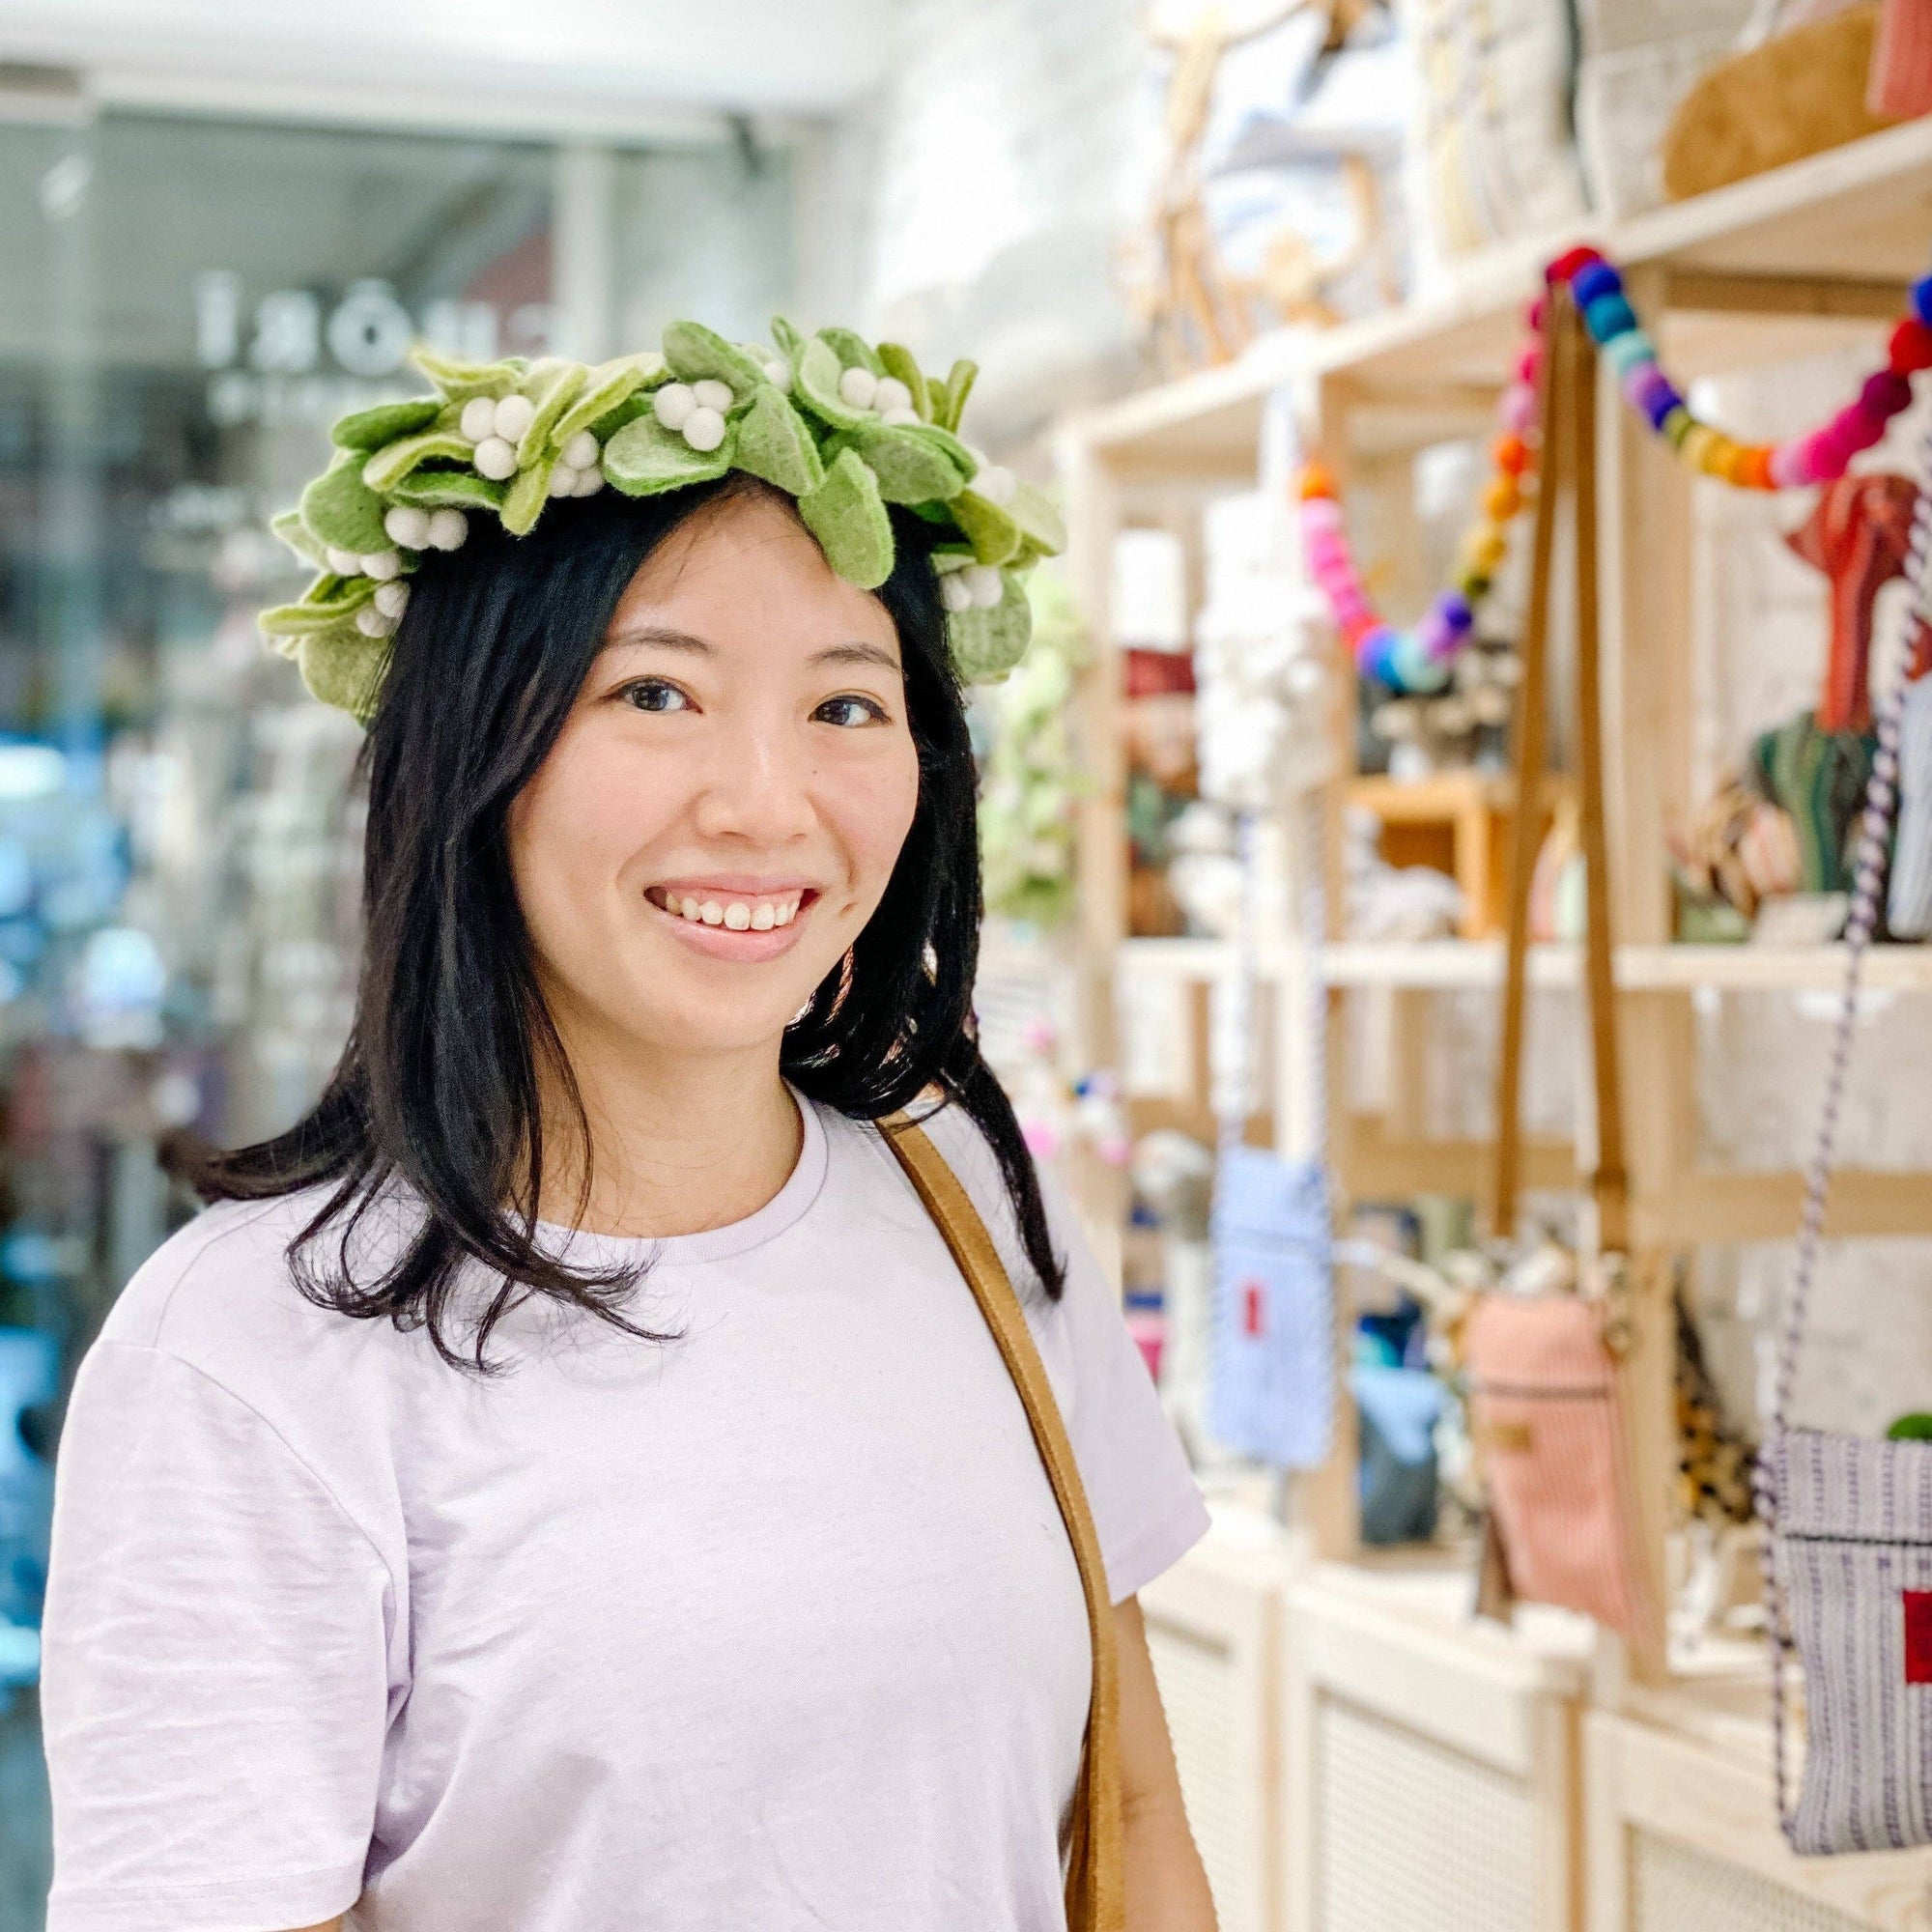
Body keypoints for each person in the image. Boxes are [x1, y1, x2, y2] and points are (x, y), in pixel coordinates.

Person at [40, 320, 1216, 1930]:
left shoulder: (975, 1210)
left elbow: (1136, 1812)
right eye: (654, 690)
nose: (765, 802)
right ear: (478, 750)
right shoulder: (254, 1352)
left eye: (848, 706)